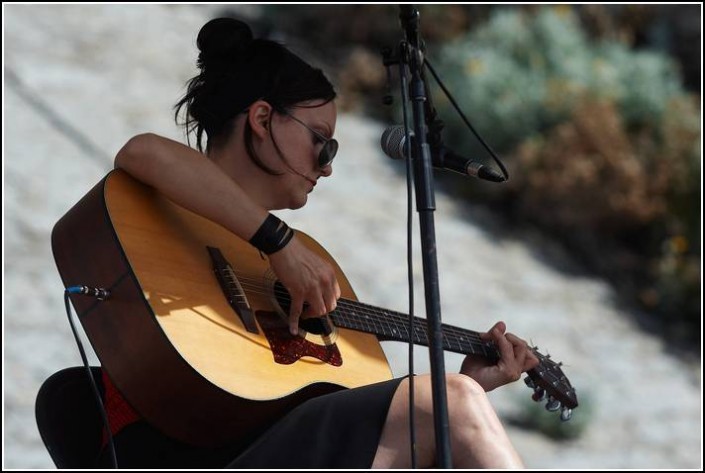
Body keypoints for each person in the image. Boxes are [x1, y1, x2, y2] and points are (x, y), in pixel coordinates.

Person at [103, 17, 539, 469]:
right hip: (182, 448)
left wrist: (461, 405)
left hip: (255, 441)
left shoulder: (293, 258)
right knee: (452, 399)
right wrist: (278, 241)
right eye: (321, 143)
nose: (326, 167)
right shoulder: (171, 210)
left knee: (454, 400)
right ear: (263, 118)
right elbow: (142, 151)